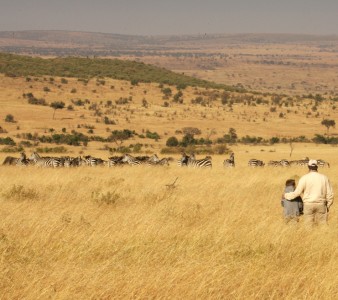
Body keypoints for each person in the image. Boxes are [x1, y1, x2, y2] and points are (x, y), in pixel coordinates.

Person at [284, 159, 334, 226]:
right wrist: (327, 206)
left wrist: (286, 195)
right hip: (321, 204)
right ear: (317, 167)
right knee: (323, 226)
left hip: (308, 205)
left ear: (308, 167)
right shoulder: (324, 178)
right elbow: (330, 194)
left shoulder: (304, 178)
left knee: (308, 226)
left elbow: (297, 192)